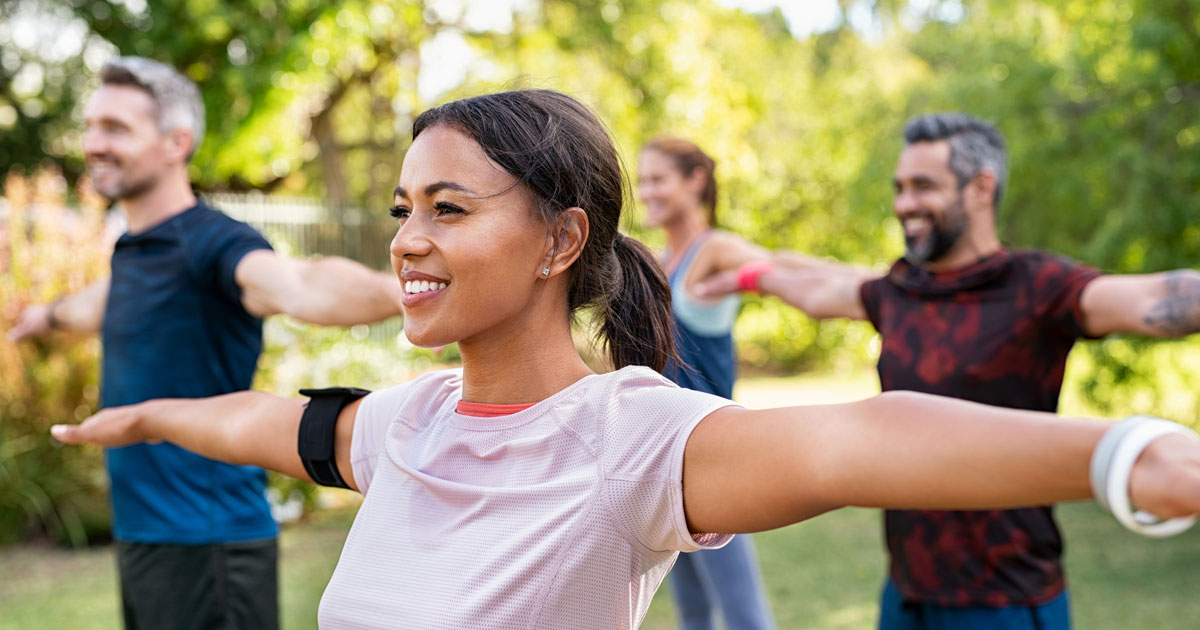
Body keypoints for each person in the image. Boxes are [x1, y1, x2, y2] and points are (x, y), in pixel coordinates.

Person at [49, 91, 1200, 630]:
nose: (406, 239)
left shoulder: (629, 439)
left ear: (561, 240)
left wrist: (1131, 456)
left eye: (449, 208)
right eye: (405, 207)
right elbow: (262, 421)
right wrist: (145, 416)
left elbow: (866, 434)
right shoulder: (409, 427)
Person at [695, 113, 1200, 630]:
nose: (903, 204)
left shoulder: (1038, 287)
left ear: (982, 187)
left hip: (1005, 599)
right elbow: (821, 291)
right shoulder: (899, 290)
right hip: (906, 595)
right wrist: (747, 276)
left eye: (922, 186)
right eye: (899, 188)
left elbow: (1155, 299)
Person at [7, 57, 405, 630]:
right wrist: (41, 317)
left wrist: (397, 293)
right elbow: (94, 304)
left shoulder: (214, 244)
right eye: (92, 126)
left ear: (176, 142)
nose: (94, 143)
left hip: (209, 542)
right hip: (145, 535)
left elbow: (300, 283)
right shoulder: (136, 252)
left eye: (116, 128)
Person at [637, 137, 774, 630]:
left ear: (695, 180)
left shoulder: (714, 249)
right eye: (643, 179)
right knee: (693, 613)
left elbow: (778, 267)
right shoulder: (656, 262)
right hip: (663, 459)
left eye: (657, 179)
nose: (645, 190)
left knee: (743, 617)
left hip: (715, 458)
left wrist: (869, 288)